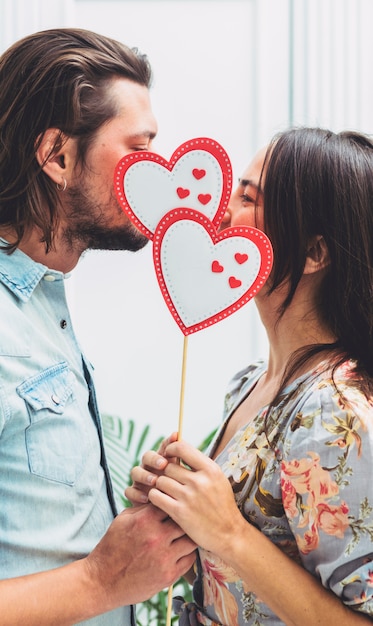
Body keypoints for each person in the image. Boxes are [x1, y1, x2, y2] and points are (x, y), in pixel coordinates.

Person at [126, 127, 373, 625]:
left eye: (248, 198)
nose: (220, 212)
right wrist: (179, 506)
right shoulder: (251, 383)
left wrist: (228, 533)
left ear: (314, 254)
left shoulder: (334, 411)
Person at [0, 28, 197, 626]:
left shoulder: (44, 308)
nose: (160, 176)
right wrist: (99, 580)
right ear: (57, 155)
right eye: (140, 150)